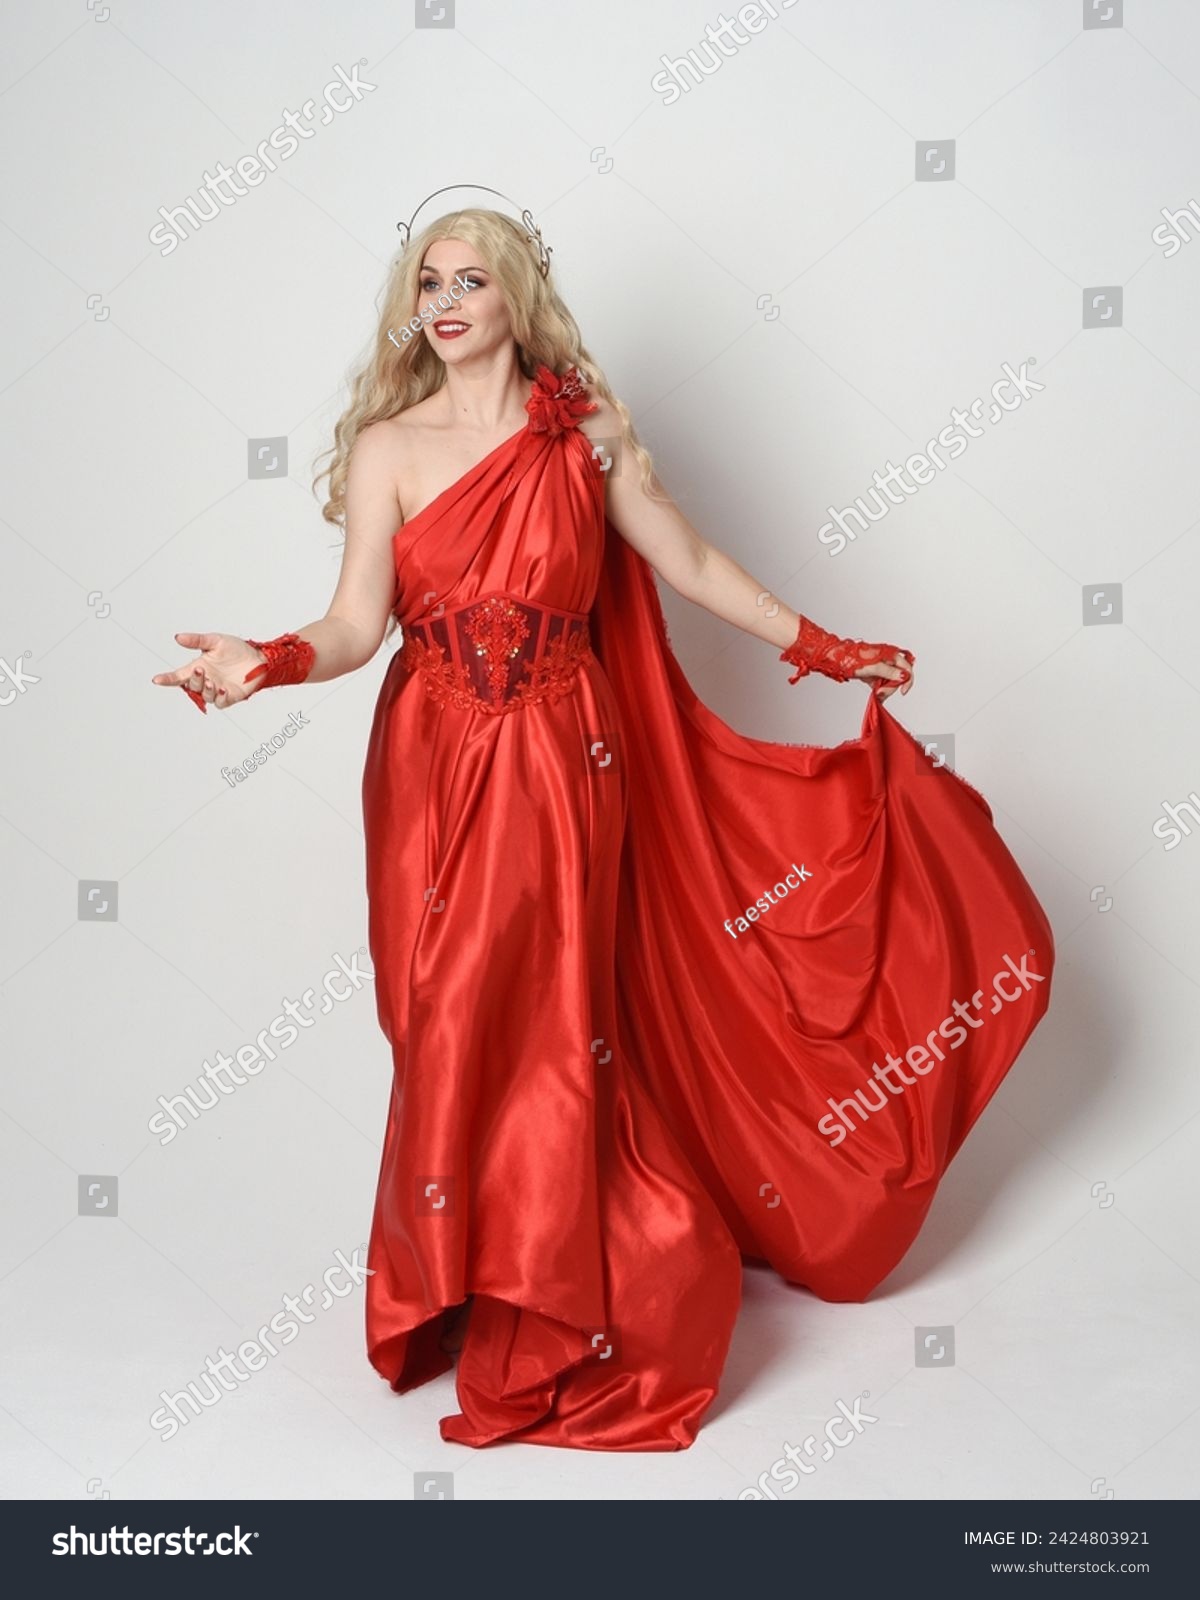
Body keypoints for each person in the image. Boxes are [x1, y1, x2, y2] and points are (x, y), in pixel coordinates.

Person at [153, 200, 1053, 1452]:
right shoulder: (387, 447)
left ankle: (567, 1300)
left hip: (566, 754)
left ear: (517, 295)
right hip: (429, 757)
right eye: (429, 281)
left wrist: (820, 642)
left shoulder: (582, 429)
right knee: (440, 1014)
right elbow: (358, 624)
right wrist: (270, 657)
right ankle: (483, 1266)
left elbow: (683, 557)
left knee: (550, 1021)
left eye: (472, 278)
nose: (447, 300)